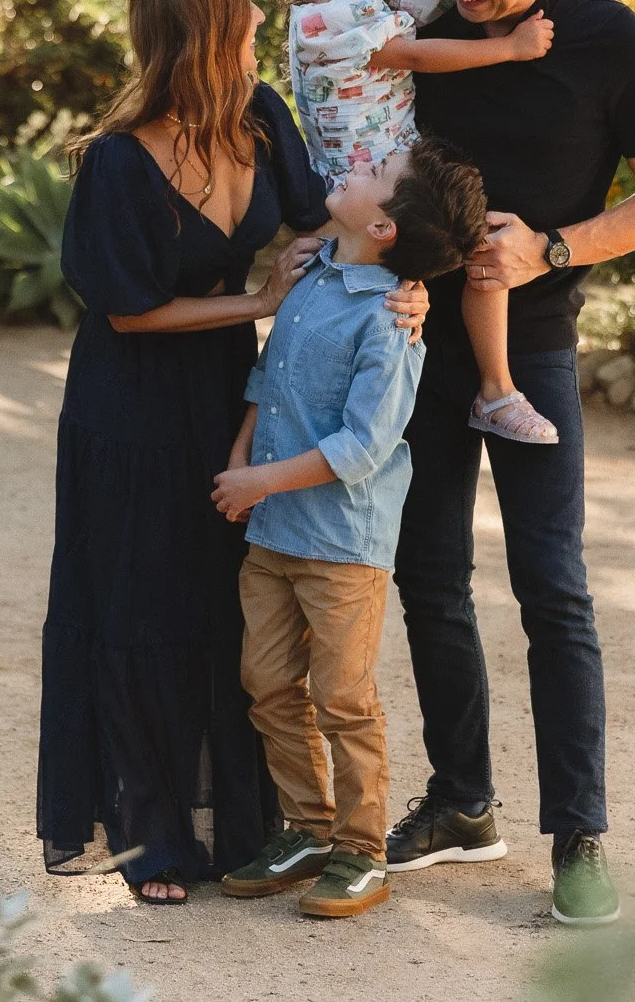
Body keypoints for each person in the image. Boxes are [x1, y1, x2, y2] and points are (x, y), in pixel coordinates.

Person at [37, 0, 429, 906]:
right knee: (140, 607)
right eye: (245, 13)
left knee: (229, 606)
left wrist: (404, 285)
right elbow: (128, 311)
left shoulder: (264, 120)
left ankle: (257, 828)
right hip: (128, 403)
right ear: (207, 32)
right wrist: (254, 300)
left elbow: (321, 223)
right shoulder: (117, 162)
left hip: (225, 392)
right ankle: (154, 841)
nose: (263, 20)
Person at [382, 0, 635, 927]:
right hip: (418, 344)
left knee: (550, 589)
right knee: (426, 576)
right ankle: (462, 801)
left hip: (539, 353)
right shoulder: (426, 17)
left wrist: (552, 249)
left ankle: (580, 837)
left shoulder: (613, 43)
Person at [209, 139, 491, 920]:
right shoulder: (309, 276)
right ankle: (305, 827)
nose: (358, 163)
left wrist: (258, 479)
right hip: (271, 532)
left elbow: (363, 447)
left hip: (340, 547)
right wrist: (241, 470)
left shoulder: (391, 320)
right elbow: (266, 382)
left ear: (386, 224)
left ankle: (362, 850)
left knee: (342, 697)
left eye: (376, 173)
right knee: (267, 684)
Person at [267, 0, 570, 445]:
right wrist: (510, 48)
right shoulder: (318, 22)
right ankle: (331, 435)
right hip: (362, 182)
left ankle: (496, 390)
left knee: (479, 237)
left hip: (400, 166)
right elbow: (407, 54)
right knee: (377, 298)